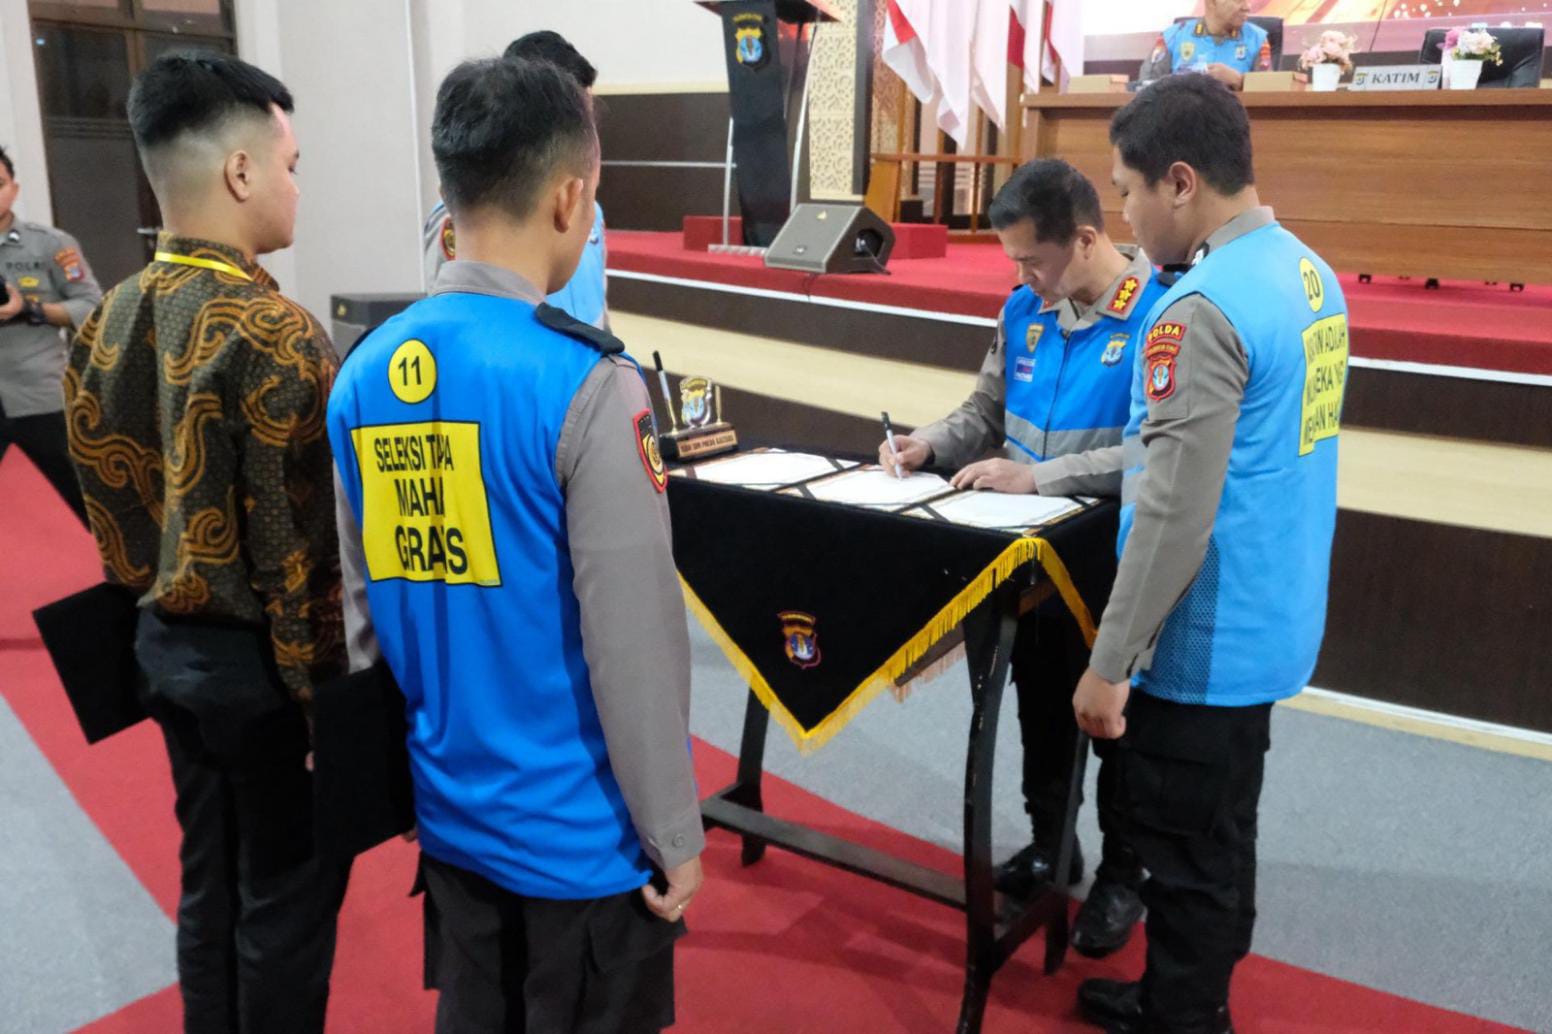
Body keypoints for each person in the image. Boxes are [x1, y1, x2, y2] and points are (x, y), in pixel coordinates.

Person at [329, 56, 703, 1033]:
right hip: (581, 840)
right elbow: (633, 645)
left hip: (450, 812)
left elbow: (364, 616)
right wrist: (674, 830)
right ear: (572, 198)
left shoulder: (363, 372)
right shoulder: (589, 383)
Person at [63, 53, 350, 1034]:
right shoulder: (277, 334)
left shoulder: (106, 318)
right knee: (286, 903)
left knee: (208, 883)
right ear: (240, 171)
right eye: (292, 165)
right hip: (265, 677)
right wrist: (326, 709)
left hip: (160, 651)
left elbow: (109, 507)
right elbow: (297, 559)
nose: (296, 185)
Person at [1073, 74, 1347, 1033]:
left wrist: (1111, 663)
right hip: (1275, 611)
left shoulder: (1200, 309)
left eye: (1128, 192)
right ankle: (1189, 997)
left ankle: (1183, 1018)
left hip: (1202, 637)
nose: (1125, 216)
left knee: (1183, 852)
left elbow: (1172, 513)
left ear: (1180, 182)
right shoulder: (1309, 274)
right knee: (1225, 830)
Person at [879, 158, 1168, 958]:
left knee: (1116, 726)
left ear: (1086, 240)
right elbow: (985, 409)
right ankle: (1052, 847)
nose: (1023, 278)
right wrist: (929, 442)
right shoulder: (1023, 310)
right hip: (1026, 560)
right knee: (1040, 705)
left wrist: (1040, 476)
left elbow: (1157, 453)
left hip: (1110, 560)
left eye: (1033, 261)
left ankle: (1123, 876)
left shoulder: (1160, 316)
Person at [421, 30, 609, 329]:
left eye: (588, 119)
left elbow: (598, 305)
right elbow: (450, 313)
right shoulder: (462, 217)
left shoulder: (590, 211)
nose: (587, 137)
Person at [0, 143, 101, 525]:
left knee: (81, 503)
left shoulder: (51, 244)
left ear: (14, 189)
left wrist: (31, 310)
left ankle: (116, 564)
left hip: (38, 395)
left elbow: (91, 306)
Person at [1141, 0, 1272, 90]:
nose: (1247, 7)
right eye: (1238, 0)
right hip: (1180, 117)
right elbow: (1145, 87)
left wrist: (1239, 81)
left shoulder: (1257, 39)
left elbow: (1271, 91)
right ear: (1211, 2)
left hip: (1235, 118)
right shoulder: (1172, 36)